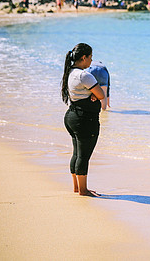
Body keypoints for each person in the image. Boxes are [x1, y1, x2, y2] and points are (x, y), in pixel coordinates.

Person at [61, 43, 105, 197]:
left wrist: (92, 94)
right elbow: (101, 95)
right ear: (84, 57)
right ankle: (83, 190)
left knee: (77, 153)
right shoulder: (84, 75)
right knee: (83, 156)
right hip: (84, 120)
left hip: (72, 117)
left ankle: (77, 187)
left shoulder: (70, 72)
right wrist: (94, 94)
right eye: (90, 58)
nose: (91, 61)